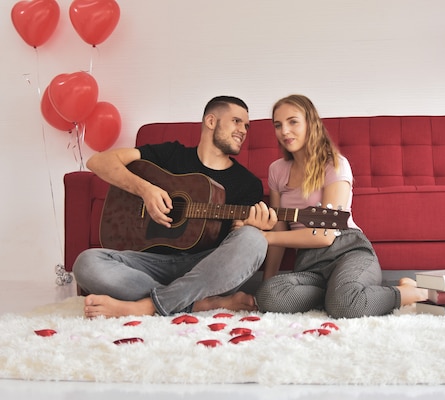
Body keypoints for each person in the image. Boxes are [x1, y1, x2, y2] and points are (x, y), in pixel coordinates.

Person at [73, 96, 277, 318]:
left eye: (246, 126)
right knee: (86, 263)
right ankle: (199, 304)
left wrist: (252, 227)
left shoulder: (247, 183)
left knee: (254, 239)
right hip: (150, 264)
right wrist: (146, 190)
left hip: (205, 269)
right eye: (236, 121)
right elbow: (98, 162)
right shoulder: (172, 155)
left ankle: (146, 307)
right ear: (211, 121)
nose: (243, 130)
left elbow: (235, 245)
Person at [254, 94, 427, 319]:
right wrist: (267, 282)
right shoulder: (277, 170)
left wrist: (263, 237)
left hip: (348, 251)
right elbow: (279, 229)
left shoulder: (334, 164)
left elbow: (325, 236)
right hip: (309, 263)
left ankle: (406, 292)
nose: (284, 131)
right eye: (278, 125)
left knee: (345, 306)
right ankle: (339, 294)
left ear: (311, 123)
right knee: (269, 295)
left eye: (293, 121)